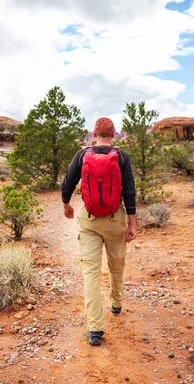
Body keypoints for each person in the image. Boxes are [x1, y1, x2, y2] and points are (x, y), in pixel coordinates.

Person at [61, 117, 137, 346]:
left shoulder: (82, 155)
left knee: (91, 274)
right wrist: (132, 223)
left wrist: (67, 204)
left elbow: (67, 183)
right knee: (116, 263)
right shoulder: (122, 157)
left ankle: (95, 329)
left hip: (90, 220)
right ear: (113, 135)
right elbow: (130, 192)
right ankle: (117, 304)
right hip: (115, 219)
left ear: (94, 134)